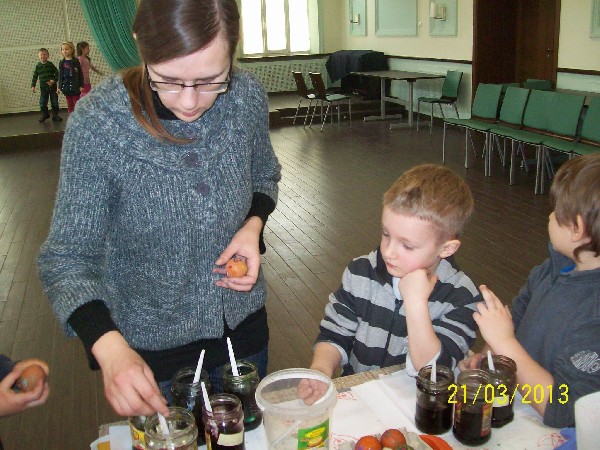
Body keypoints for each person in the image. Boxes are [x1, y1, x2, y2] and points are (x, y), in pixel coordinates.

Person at [37, 0, 281, 418]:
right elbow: (66, 260)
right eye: (168, 80)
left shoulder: (245, 97)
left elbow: (264, 175)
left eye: (211, 80)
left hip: (244, 338)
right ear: (141, 46)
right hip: (154, 357)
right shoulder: (98, 123)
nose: (189, 102)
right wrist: (109, 348)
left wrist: (251, 227)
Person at [305, 164, 480, 392]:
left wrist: (415, 303)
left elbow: (434, 372)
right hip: (361, 394)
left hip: (418, 404)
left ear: (446, 249)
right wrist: (321, 369)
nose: (388, 252)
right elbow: (336, 332)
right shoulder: (361, 271)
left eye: (407, 245)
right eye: (386, 234)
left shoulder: (462, 297)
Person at [460, 154, 600, 428]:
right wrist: (490, 355)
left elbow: (564, 409)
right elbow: (517, 318)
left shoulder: (594, 316)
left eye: (556, 212)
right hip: (519, 404)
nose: (549, 216)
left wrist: (504, 343)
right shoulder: (552, 268)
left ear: (577, 229)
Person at [31, 48, 62, 123]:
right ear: (38, 56)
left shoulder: (50, 64)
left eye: (45, 54)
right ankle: (45, 114)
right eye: (41, 54)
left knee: (54, 102)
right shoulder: (38, 66)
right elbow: (35, 76)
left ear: (48, 55)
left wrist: (53, 80)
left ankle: (55, 115)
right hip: (43, 88)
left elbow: (57, 73)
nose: (43, 56)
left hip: (52, 87)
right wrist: (33, 86)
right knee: (42, 103)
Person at [57, 41, 84, 113]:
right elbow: (60, 75)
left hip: (75, 86)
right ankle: (71, 116)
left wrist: (81, 85)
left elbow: (80, 74)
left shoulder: (75, 61)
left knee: (76, 103)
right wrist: (59, 86)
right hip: (66, 86)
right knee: (70, 104)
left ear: (72, 49)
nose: (64, 51)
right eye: (63, 49)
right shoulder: (62, 62)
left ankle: (78, 116)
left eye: (66, 49)